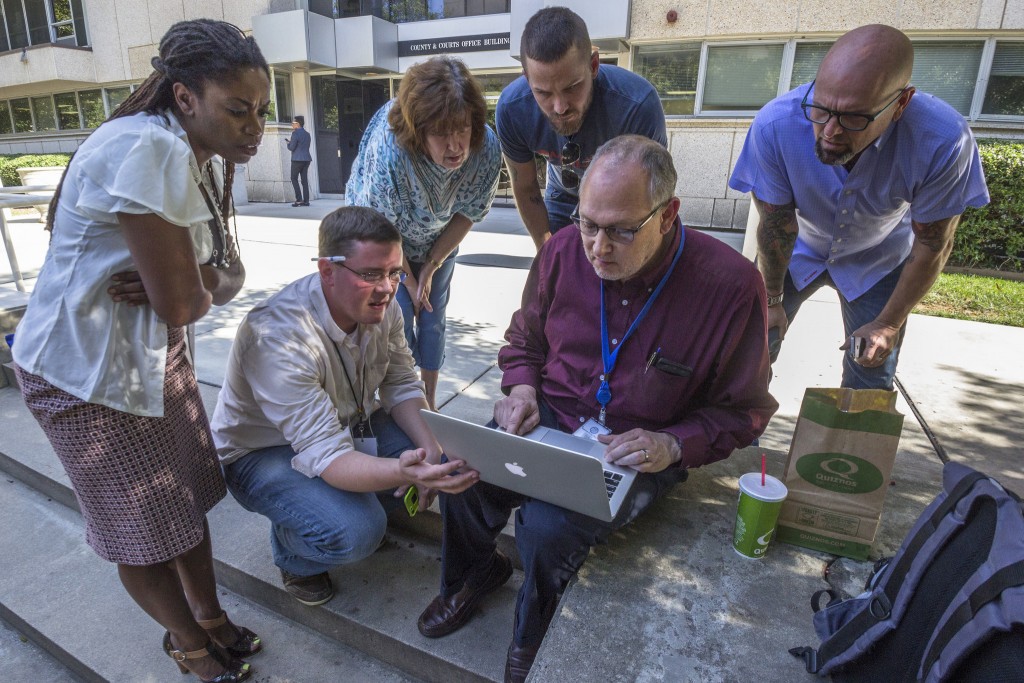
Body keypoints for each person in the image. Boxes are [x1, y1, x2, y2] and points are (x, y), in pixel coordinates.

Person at [416, 135, 778, 682]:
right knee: (464, 472)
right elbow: (525, 340)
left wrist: (674, 444)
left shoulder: (729, 286)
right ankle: (471, 575)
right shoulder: (562, 250)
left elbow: (744, 411)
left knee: (546, 528)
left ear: (668, 214)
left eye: (621, 230)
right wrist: (520, 388)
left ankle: (533, 632)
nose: (598, 247)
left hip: (640, 445)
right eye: (588, 223)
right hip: (551, 414)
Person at [12, 19, 268, 683]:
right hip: (85, 377)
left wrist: (192, 283)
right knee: (143, 529)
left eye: (261, 110)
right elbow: (186, 303)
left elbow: (221, 278)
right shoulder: (148, 149)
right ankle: (188, 644)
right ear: (185, 97)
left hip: (153, 361)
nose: (254, 126)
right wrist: (187, 289)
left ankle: (211, 618)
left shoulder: (194, 159)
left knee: (182, 502)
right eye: (237, 109)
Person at [210, 206, 479, 608]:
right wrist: (402, 469)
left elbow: (401, 382)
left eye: (395, 272)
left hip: (347, 424)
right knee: (357, 531)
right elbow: (329, 455)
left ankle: (335, 503)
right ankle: (291, 552)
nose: (388, 289)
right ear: (327, 271)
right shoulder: (279, 336)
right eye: (370, 274)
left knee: (443, 455)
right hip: (262, 452)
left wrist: (433, 454)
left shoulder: (382, 306)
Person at [729, 24, 989, 390]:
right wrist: (771, 300)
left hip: (878, 260)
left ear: (900, 104)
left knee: (870, 373)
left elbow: (933, 243)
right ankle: (742, 446)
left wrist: (889, 324)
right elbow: (776, 225)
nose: (830, 131)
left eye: (854, 117)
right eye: (821, 109)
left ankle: (852, 447)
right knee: (745, 355)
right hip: (797, 250)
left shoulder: (943, 140)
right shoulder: (776, 124)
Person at [346, 55, 500, 411]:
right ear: (418, 130)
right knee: (395, 320)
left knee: (433, 317)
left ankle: (428, 405)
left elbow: (469, 212)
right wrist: (411, 283)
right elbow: (382, 230)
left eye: (461, 129)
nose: (455, 145)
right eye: (441, 133)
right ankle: (396, 403)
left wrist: (431, 265)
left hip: (438, 237)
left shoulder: (486, 148)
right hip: (382, 236)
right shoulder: (391, 152)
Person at [496, 6, 667, 250]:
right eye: (542, 92)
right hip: (561, 196)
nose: (560, 107)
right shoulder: (512, 109)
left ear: (594, 65)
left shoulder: (637, 105)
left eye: (572, 87)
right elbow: (525, 187)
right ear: (526, 77)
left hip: (621, 201)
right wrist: (546, 252)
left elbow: (649, 196)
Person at [286, 115, 312, 207]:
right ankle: (306, 201)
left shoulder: (295, 134)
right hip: (307, 159)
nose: (292, 125)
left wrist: (288, 144)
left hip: (297, 159)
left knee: (294, 178)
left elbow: (292, 147)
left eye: (293, 123)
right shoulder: (307, 134)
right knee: (304, 180)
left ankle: (299, 200)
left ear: (297, 124)